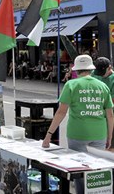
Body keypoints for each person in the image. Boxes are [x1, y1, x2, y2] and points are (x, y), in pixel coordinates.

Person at [42, 55, 113, 194]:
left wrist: (48, 135)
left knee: (80, 171)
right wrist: (109, 137)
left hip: (77, 134)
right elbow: (110, 115)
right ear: (91, 69)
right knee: (95, 171)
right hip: (99, 134)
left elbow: (61, 112)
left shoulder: (71, 85)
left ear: (76, 70)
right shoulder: (103, 86)